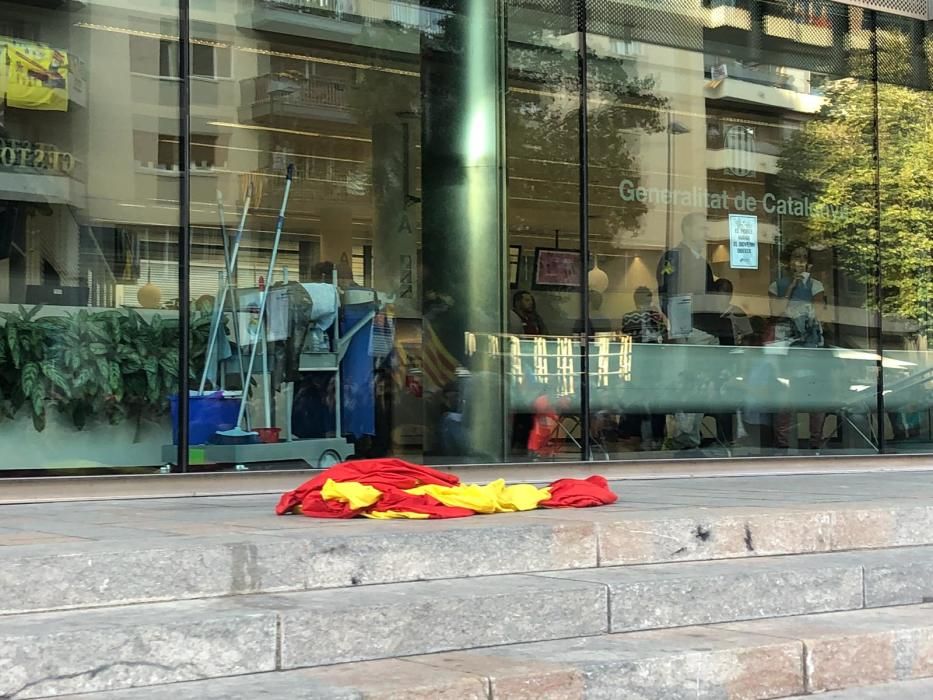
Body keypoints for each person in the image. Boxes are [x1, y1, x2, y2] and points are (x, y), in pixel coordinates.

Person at [769, 244, 826, 450]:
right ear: (788, 261)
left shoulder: (816, 285)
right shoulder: (778, 285)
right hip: (786, 345)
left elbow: (820, 312)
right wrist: (792, 288)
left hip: (809, 345)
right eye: (795, 258)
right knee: (786, 396)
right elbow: (776, 312)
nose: (799, 262)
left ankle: (815, 442)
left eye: (803, 258)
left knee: (813, 393)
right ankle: (782, 443)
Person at [619, 286, 667, 450]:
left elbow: (626, 335)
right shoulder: (656, 315)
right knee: (655, 400)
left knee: (635, 397)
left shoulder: (628, 316)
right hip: (653, 363)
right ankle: (656, 436)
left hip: (634, 361)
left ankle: (635, 435)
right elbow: (664, 335)